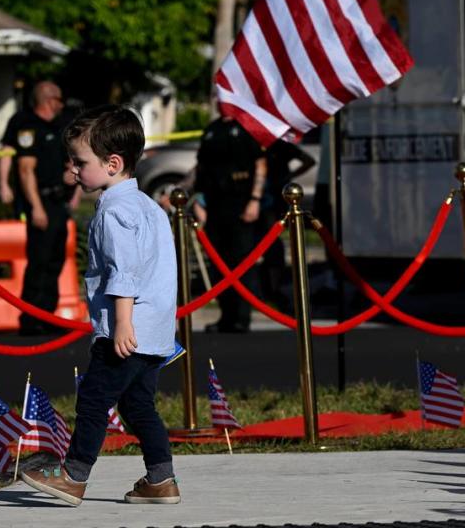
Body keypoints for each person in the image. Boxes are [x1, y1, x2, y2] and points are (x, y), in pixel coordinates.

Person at [20, 105, 180, 506]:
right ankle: (161, 479)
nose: (72, 171)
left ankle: (74, 475)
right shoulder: (148, 207)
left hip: (125, 331)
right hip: (155, 331)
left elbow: (124, 272)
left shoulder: (114, 211)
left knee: (93, 398)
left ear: (112, 163)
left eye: (79, 163)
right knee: (139, 404)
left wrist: (122, 323)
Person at [6, 81, 77, 335]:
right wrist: (35, 207)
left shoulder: (58, 126)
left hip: (59, 202)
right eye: (59, 100)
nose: (61, 105)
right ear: (49, 100)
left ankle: (48, 314)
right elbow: (26, 171)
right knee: (39, 261)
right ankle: (31, 317)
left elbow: (69, 162)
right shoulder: (28, 126)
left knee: (55, 261)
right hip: (41, 201)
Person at [193, 115, 267, 333]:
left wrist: (255, 200)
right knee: (219, 264)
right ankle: (226, 315)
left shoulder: (247, 126)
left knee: (241, 261)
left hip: (241, 203)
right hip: (215, 205)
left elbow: (260, 165)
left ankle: (241, 317)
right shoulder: (212, 129)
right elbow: (201, 167)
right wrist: (198, 199)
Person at [259, 136, 316, 307]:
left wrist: (288, 176)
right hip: (267, 199)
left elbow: (309, 161)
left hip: (271, 199)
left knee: (272, 245)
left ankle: (272, 289)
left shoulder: (278, 145)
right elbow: (308, 161)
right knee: (266, 245)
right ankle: (268, 288)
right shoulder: (271, 144)